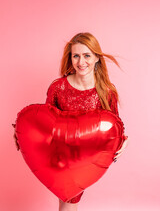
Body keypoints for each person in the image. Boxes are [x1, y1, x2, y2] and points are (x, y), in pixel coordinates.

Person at [13, 32, 128, 211]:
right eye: (76, 56)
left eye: (87, 55)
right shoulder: (58, 87)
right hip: (60, 159)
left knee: (68, 201)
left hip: (88, 160)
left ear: (97, 57)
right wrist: (22, 133)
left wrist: (123, 142)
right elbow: (45, 123)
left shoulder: (107, 92)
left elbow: (114, 125)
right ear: (70, 58)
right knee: (67, 201)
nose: (81, 62)